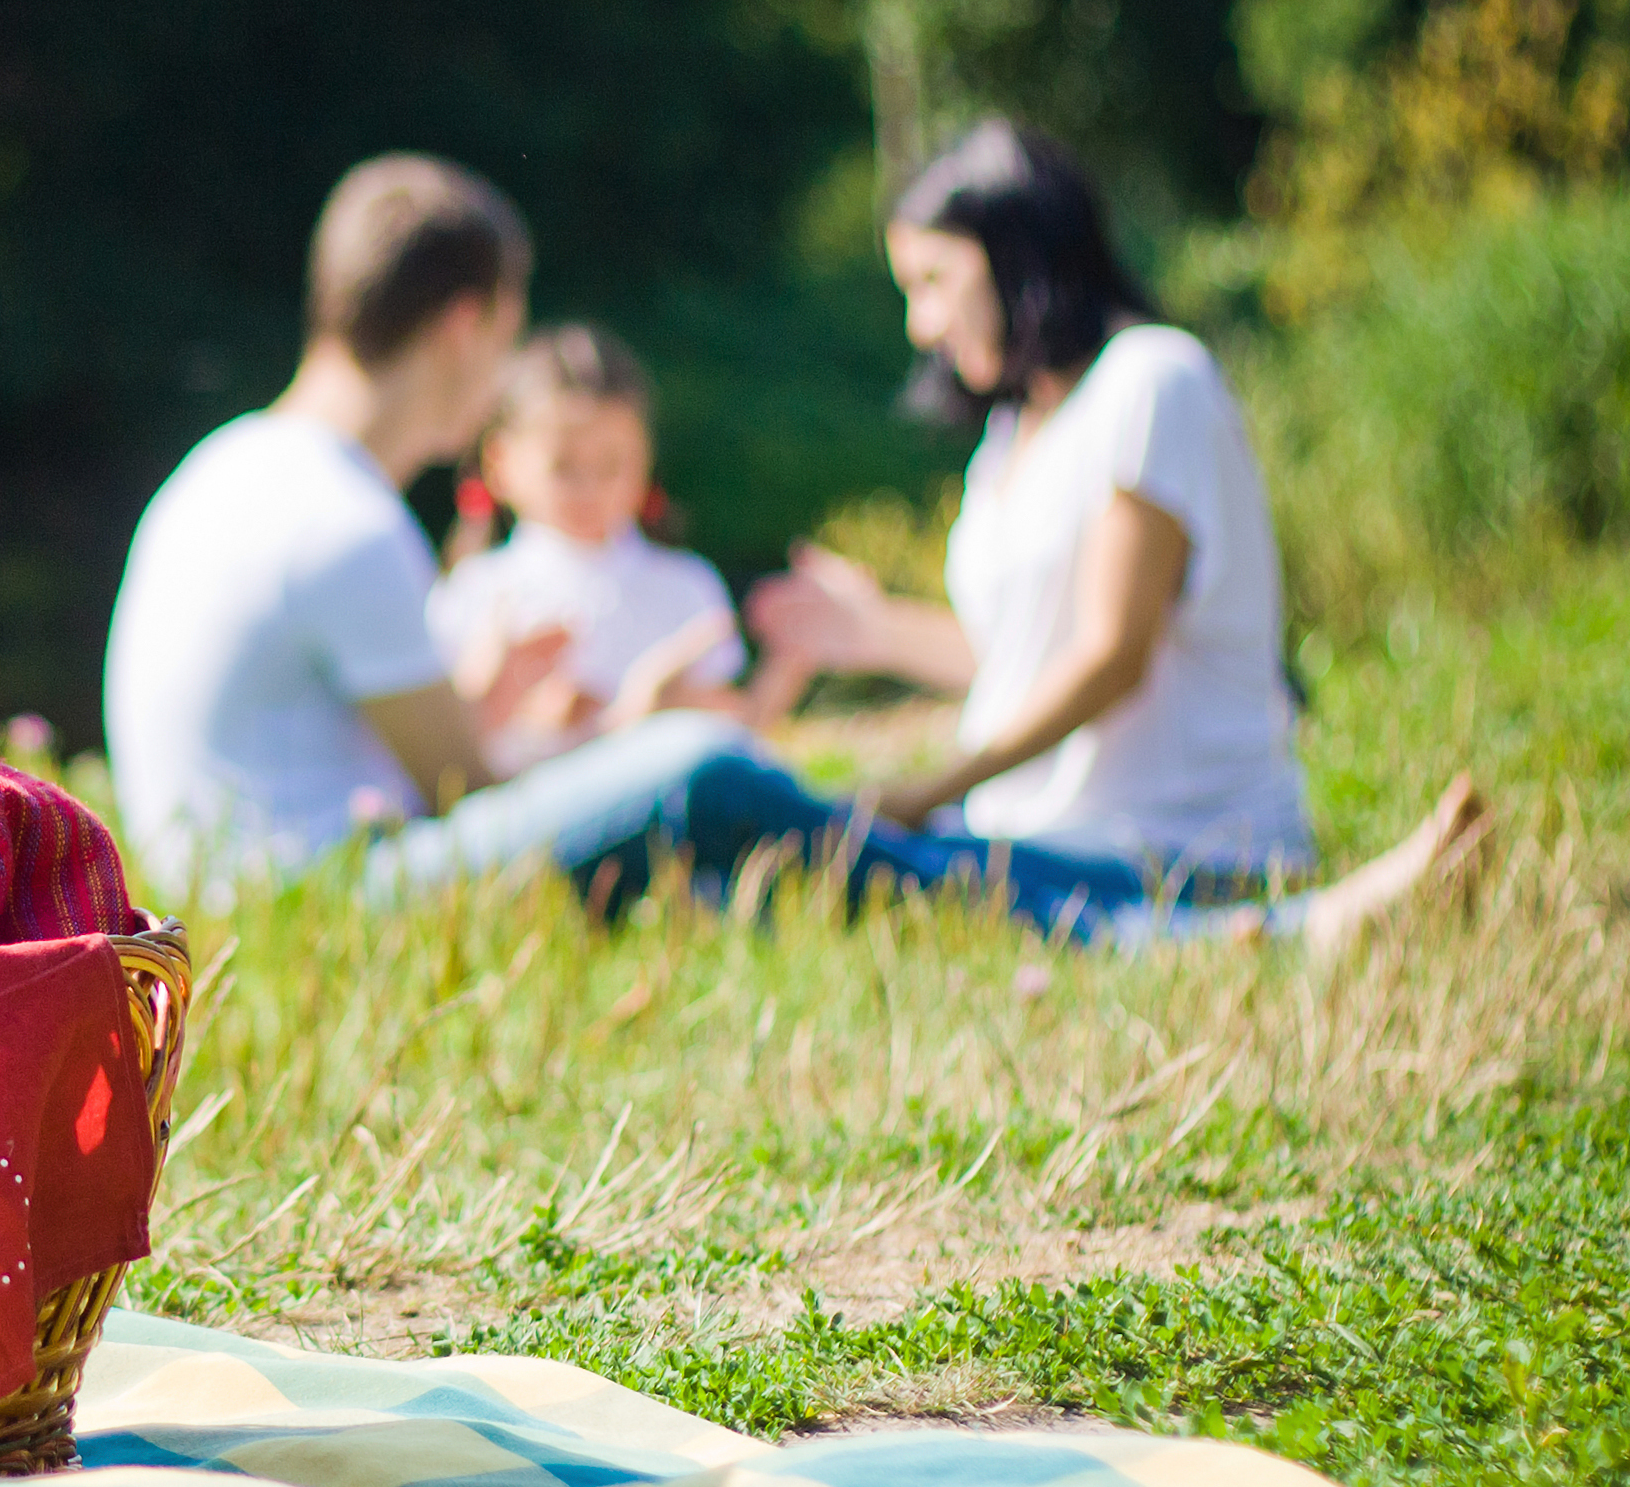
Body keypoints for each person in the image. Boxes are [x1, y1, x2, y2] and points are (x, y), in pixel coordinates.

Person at [595, 119, 1485, 952]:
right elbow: (1019, 657)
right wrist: (870, 631)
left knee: (808, 840)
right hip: (1027, 834)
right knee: (761, 874)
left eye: (935, 284)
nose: (920, 326)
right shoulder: (1011, 437)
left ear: (1017, 257)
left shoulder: (1152, 381)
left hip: (1174, 841)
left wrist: (924, 793)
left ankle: (1296, 927)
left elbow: (1110, 655)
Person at [103, 154, 756, 899]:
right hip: (324, 893)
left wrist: (486, 704)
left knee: (704, 849)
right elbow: (469, 796)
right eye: (508, 338)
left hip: (226, 888)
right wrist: (629, 731)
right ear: (465, 327)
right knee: (699, 764)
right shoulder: (346, 522)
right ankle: (921, 870)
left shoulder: (225, 465)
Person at [428, 323, 808, 774]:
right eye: (563, 467)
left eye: (611, 466)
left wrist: (789, 664)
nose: (589, 489)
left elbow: (736, 744)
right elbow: (449, 767)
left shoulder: (686, 585)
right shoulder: (476, 593)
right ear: (500, 462)